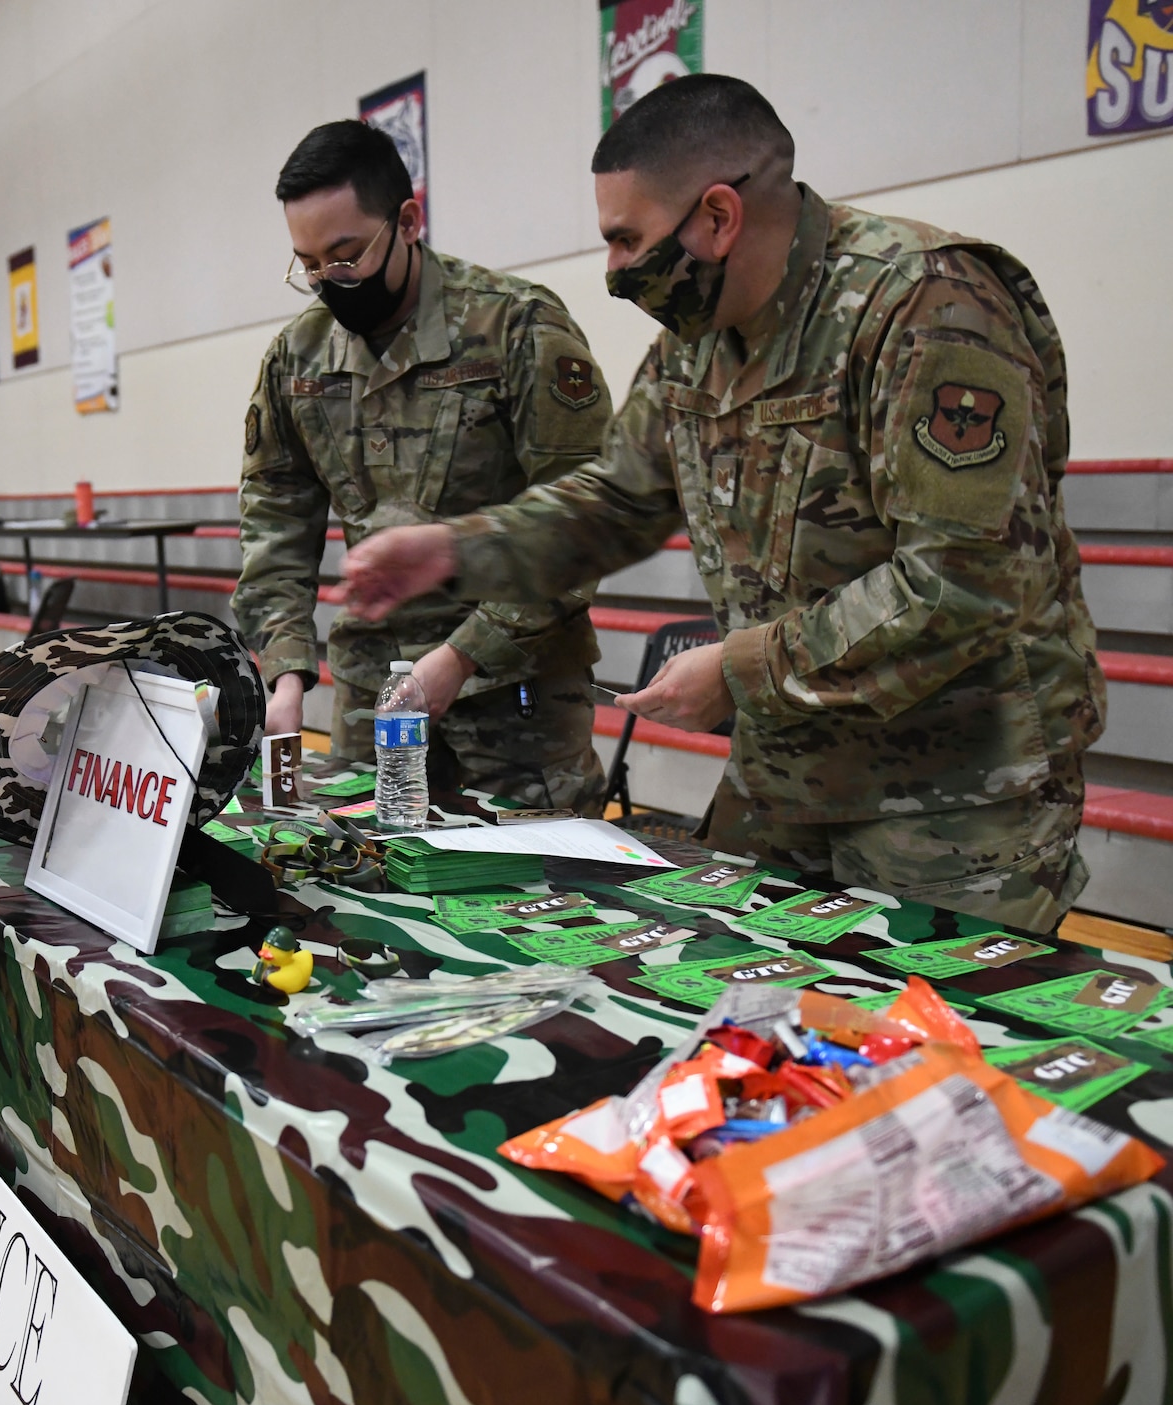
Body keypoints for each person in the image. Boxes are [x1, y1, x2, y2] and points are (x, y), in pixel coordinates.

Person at [341, 75, 1102, 932]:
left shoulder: (925, 305)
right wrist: (455, 549)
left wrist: (741, 671)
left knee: (931, 1052)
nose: (614, 271)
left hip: (955, 799)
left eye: (627, 240)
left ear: (716, 217)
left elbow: (960, 584)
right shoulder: (695, 350)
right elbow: (614, 501)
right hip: (790, 777)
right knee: (747, 1027)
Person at [235, 121, 614, 811]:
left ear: (408, 221)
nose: (329, 281)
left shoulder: (517, 327)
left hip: (516, 704)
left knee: (539, 901)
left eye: (346, 256)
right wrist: (285, 672)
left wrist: (465, 654)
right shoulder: (299, 357)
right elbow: (275, 528)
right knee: (370, 894)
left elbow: (580, 520)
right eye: (309, 264)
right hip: (371, 699)